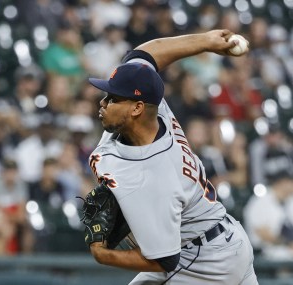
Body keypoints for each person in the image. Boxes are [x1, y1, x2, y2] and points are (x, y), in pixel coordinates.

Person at [86, 29, 258, 284]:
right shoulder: (155, 109)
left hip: (206, 263)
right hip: (216, 237)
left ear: (136, 108)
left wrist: (103, 255)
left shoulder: (153, 176)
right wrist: (206, 42)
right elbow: (145, 54)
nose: (102, 103)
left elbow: (164, 260)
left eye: (112, 99)